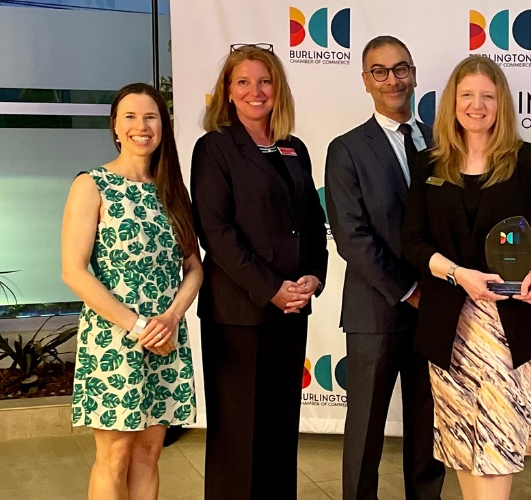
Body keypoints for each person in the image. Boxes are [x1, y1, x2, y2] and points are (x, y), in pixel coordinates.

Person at [401, 55, 531, 500]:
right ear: (452, 102)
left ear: (501, 103)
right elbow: (412, 243)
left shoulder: (525, 160)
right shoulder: (429, 163)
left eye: (487, 96)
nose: (477, 105)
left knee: (496, 445)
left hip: (506, 327)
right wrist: (457, 275)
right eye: (467, 95)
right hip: (449, 327)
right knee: (462, 446)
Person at [190, 44, 329, 500]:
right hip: (239, 313)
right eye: (243, 82)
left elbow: (311, 222)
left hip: (291, 310)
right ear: (227, 92)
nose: (256, 91)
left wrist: (314, 276)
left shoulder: (295, 148)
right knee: (239, 438)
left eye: (265, 81)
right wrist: (270, 288)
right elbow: (216, 231)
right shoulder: (214, 148)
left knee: (279, 431)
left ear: (278, 88)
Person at [62, 82, 202, 499]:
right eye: (131, 117)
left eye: (151, 117)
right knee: (116, 455)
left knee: (149, 454)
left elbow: (193, 266)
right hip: (114, 338)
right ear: (115, 128)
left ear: (163, 126)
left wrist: (171, 318)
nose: (142, 126)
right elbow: (74, 271)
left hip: (166, 336)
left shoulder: (172, 190)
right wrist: (139, 326)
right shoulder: (92, 184)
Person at [325, 35, 444, 500]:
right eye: (380, 71)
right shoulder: (347, 149)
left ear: (414, 74)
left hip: (435, 309)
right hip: (376, 312)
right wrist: (409, 289)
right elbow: (351, 236)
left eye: (401, 69)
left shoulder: (438, 142)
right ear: (366, 81)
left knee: (428, 427)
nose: (392, 79)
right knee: (366, 431)